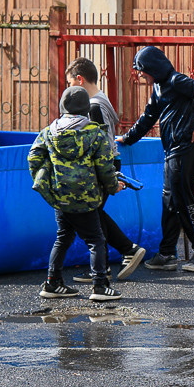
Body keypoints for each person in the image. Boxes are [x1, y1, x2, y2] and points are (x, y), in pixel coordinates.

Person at [117, 46, 194, 273]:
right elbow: (148, 116)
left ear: (153, 67)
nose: (140, 74)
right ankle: (167, 254)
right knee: (169, 202)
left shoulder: (176, 81)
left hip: (185, 150)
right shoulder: (159, 87)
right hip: (172, 152)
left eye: (142, 70)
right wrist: (127, 138)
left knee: (184, 201)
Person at [29, 86, 122, 301]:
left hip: (60, 198)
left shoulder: (48, 132)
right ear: (87, 109)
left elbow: (33, 157)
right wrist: (113, 186)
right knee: (96, 240)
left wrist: (45, 180)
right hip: (87, 198)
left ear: (63, 107)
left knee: (63, 237)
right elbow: (105, 167)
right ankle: (100, 286)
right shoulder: (95, 133)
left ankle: (53, 283)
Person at [65, 57, 146, 280]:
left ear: (79, 80)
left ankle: (127, 251)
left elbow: (98, 139)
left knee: (91, 215)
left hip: (103, 163)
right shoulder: (99, 100)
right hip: (106, 163)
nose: (68, 89)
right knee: (94, 214)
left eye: (69, 82)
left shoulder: (93, 105)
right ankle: (106, 265)